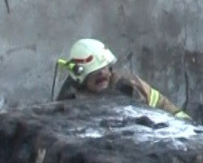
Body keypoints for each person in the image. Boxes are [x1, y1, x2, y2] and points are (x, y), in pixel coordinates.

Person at [56, 38, 188, 118]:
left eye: (105, 68)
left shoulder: (129, 84)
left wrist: (188, 124)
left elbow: (163, 105)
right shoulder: (70, 103)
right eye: (95, 72)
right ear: (80, 78)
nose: (102, 73)